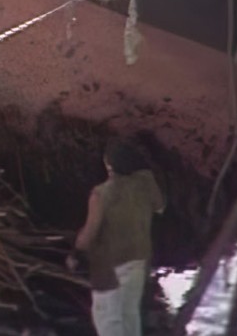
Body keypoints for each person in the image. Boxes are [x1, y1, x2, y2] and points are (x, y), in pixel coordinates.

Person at [67, 140, 165, 336]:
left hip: (108, 265)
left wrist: (75, 252)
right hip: (139, 259)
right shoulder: (145, 183)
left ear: (109, 166)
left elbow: (89, 233)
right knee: (129, 314)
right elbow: (160, 208)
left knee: (108, 319)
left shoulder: (101, 194)